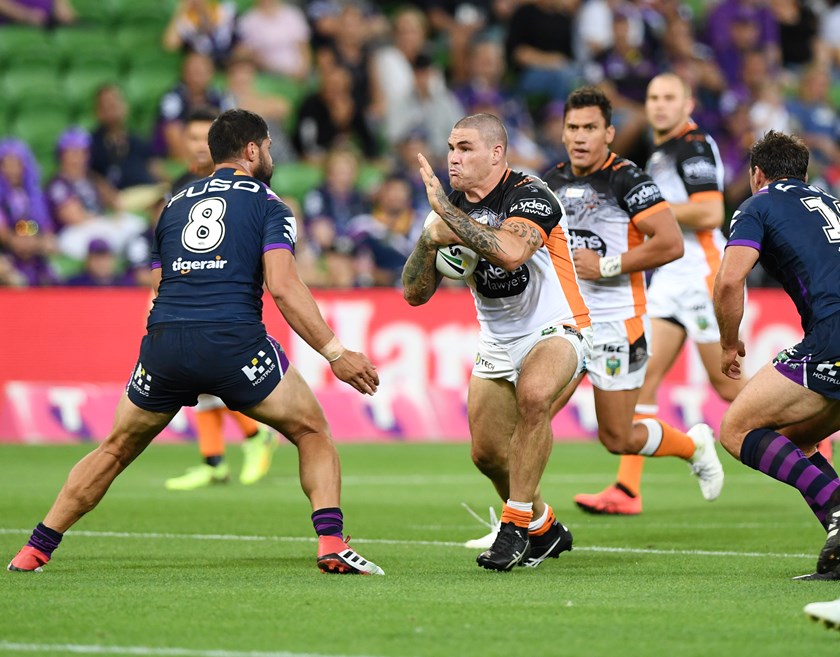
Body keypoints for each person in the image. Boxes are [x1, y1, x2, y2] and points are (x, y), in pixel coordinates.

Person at [7, 109, 384, 576]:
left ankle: (36, 548)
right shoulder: (271, 205)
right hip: (233, 343)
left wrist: (163, 342)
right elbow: (283, 287)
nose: (269, 155)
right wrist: (336, 353)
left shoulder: (174, 203)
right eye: (267, 147)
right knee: (312, 432)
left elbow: (157, 288)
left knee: (115, 447)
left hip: (165, 343)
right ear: (252, 150)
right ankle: (330, 542)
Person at [402, 112, 593, 571]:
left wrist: (446, 215)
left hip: (558, 327)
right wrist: (428, 242)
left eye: (465, 148)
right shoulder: (448, 206)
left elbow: (510, 255)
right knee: (487, 454)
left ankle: (513, 529)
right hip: (496, 339)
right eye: (450, 148)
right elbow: (413, 295)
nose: (453, 158)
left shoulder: (531, 195)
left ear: (496, 153)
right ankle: (545, 529)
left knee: (534, 398)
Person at [533, 87, 722, 532]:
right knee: (531, 412)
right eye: (573, 128)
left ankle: (693, 447)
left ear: (609, 133)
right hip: (566, 325)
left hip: (619, 323)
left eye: (590, 128)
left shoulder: (630, 179)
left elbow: (671, 243)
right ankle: (522, 521)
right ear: (562, 133)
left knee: (618, 437)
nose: (580, 137)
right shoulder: (550, 185)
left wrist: (607, 265)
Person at [573, 73, 743, 515]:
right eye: (653, 97)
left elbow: (710, 210)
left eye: (670, 97)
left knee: (728, 388)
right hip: (669, 279)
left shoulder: (693, 147)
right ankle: (627, 490)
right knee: (642, 381)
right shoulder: (660, 150)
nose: (660, 105)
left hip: (700, 276)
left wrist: (646, 209)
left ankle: (814, 433)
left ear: (688, 101)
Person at [714, 129, 840, 580]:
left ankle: (837, 505)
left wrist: (729, 343)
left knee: (736, 429)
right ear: (804, 175)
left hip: (833, 336)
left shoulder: (758, 204)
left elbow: (730, 279)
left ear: (757, 174)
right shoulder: (831, 201)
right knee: (796, 437)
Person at [161, 107, 280, 491]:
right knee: (198, 384)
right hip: (182, 295)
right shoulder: (180, 189)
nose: (197, 146)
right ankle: (213, 460)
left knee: (207, 377)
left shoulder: (254, 194)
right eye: (191, 139)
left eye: (202, 138)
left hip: (224, 303)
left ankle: (251, 435)